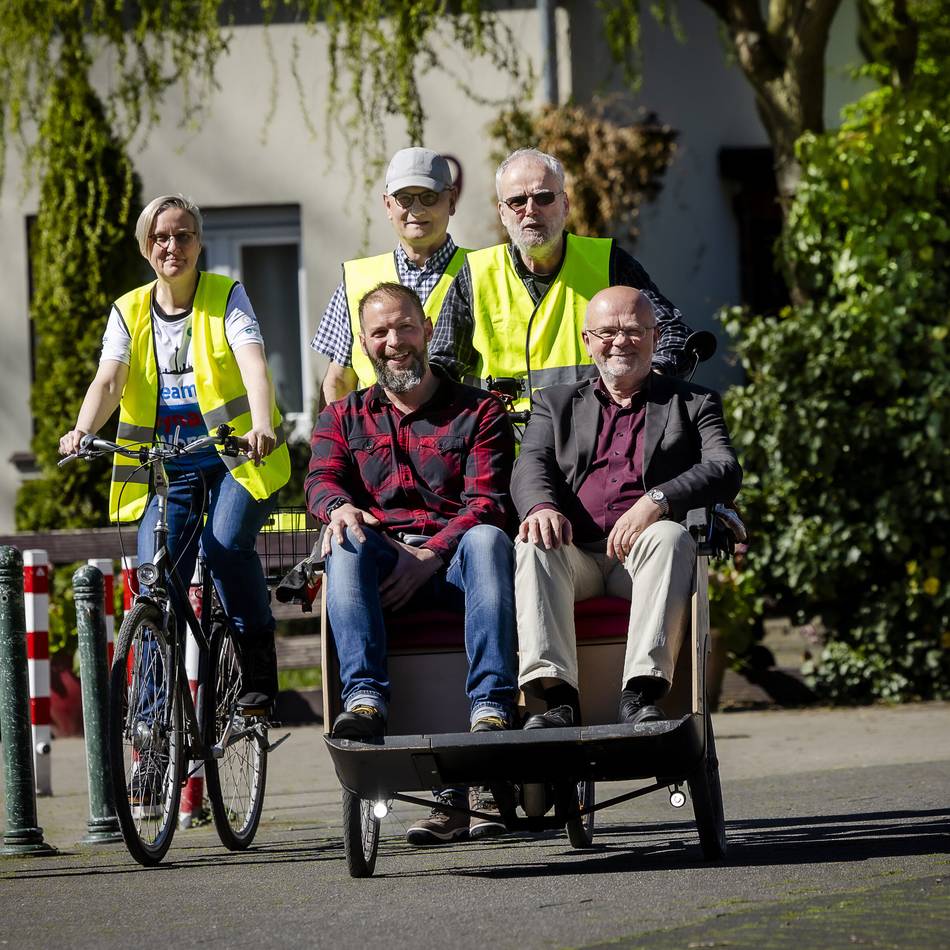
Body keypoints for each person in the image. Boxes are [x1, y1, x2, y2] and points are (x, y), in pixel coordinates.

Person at [59, 194, 290, 712]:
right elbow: (110, 377)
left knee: (227, 542)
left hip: (236, 458)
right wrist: (80, 430)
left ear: (199, 243)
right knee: (155, 583)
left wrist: (259, 424)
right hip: (170, 467)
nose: (172, 246)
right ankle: (152, 731)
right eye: (161, 237)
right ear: (145, 247)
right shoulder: (128, 310)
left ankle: (255, 660)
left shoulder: (227, 295)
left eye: (183, 235)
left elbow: (253, 363)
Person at [305, 281, 518, 845]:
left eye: (404, 327)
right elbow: (320, 481)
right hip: (379, 563)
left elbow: (487, 502)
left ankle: (492, 711)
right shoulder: (341, 417)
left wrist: (429, 555)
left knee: (490, 539)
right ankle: (365, 701)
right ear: (363, 344)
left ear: (426, 330)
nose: (394, 341)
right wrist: (340, 506)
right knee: (343, 537)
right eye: (380, 332)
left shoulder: (480, 411)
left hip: (455, 561)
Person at [511, 285, 741, 728]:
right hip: (574, 555)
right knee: (532, 544)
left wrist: (658, 500)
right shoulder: (553, 403)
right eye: (608, 331)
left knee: (671, 534)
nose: (621, 341)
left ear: (655, 338)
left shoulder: (693, 403)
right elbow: (530, 466)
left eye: (634, 330)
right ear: (587, 340)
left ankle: (640, 693)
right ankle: (556, 698)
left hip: (641, 564)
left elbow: (725, 468)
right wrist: (540, 507)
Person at [429, 147, 693, 405]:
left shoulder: (609, 262)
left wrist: (654, 378)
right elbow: (441, 365)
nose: (531, 210)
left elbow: (672, 331)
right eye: (517, 201)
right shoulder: (475, 273)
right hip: (502, 444)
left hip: (591, 440)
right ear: (502, 213)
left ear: (565, 204)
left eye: (543, 197)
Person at [311, 147, 469, 403]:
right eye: (404, 199)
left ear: (451, 200)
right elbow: (338, 381)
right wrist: (334, 441)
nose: (416, 210)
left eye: (428, 197)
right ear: (387, 205)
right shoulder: (356, 280)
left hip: (462, 437)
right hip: (376, 439)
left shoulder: (482, 270)